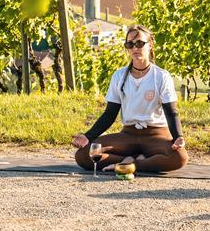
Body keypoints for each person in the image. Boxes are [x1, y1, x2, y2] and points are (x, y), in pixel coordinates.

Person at [72, 25, 188, 173]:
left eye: (139, 43)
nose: (135, 48)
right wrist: (87, 136)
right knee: (83, 155)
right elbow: (109, 114)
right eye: (130, 44)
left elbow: (171, 112)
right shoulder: (119, 76)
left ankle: (132, 165)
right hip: (128, 135)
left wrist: (178, 137)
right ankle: (129, 160)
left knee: (180, 158)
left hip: (156, 134)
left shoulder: (161, 76)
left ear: (150, 44)